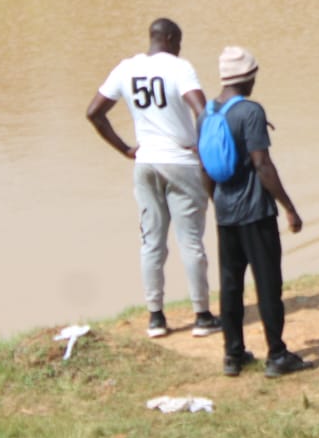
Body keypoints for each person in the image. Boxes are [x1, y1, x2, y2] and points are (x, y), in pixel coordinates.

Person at [86, 18, 221, 340]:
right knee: (190, 241)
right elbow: (202, 111)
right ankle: (202, 316)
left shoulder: (125, 69)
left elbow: (94, 112)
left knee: (151, 242)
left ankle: (156, 318)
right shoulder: (179, 68)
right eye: (179, 42)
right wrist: (204, 149)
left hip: (145, 162)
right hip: (179, 161)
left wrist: (125, 149)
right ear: (172, 39)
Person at [208, 45, 313, 378]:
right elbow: (263, 166)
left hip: (225, 214)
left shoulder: (207, 113)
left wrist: (218, 202)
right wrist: (290, 208)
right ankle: (277, 355)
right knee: (268, 283)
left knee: (230, 285)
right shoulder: (250, 112)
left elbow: (203, 168)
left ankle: (233, 355)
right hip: (255, 213)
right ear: (248, 78)